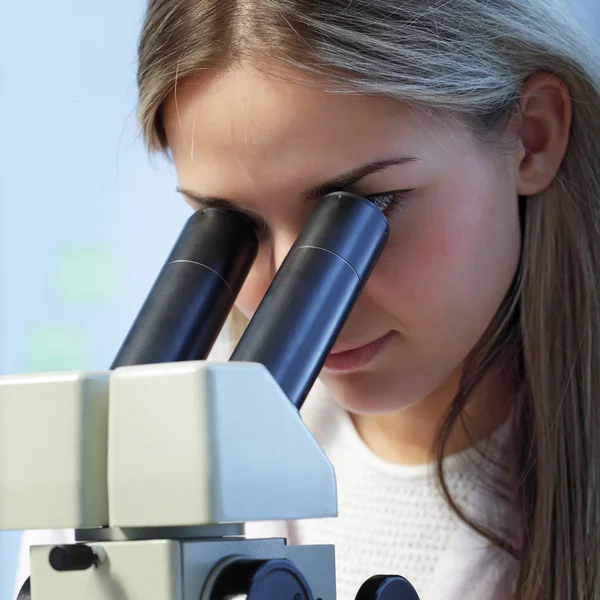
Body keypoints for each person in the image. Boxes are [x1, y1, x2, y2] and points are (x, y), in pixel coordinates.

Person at [13, 0, 600, 599]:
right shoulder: (120, 465)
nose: (279, 292)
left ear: (532, 136)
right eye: (230, 224)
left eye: (366, 206)